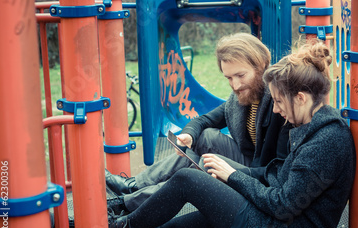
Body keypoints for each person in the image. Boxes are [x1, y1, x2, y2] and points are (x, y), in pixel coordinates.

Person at [108, 41, 356, 228]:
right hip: (271, 226)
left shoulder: (327, 141)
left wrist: (234, 175)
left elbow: (283, 206)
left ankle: (122, 227)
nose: (278, 109)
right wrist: (236, 173)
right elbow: (277, 174)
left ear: (300, 98)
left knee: (188, 180)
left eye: (280, 102)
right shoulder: (314, 126)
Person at [106, 32, 291, 213]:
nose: (235, 85)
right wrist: (189, 135)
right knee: (204, 136)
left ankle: (127, 203)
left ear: (260, 67)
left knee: (205, 164)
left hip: (261, 172)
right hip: (249, 159)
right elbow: (205, 120)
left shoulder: (278, 104)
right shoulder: (242, 98)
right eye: (229, 78)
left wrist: (229, 171)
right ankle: (133, 186)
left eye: (241, 76)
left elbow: (277, 170)